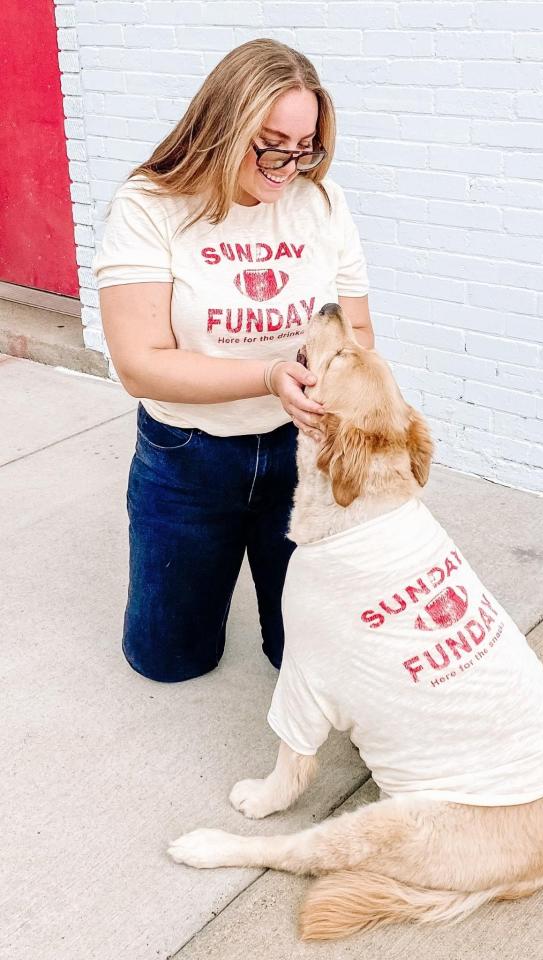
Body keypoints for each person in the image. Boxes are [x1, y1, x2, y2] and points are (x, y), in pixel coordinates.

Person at [93, 39, 373, 683]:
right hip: (188, 456)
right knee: (168, 661)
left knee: (303, 658)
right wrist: (269, 376)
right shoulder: (150, 205)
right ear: (223, 126)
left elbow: (356, 328)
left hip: (299, 452)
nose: (288, 165)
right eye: (271, 142)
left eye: (305, 147)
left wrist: (345, 398)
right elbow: (139, 364)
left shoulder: (320, 204)